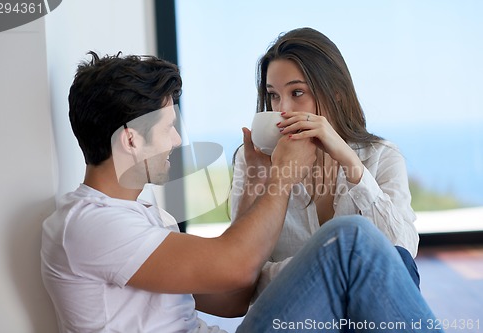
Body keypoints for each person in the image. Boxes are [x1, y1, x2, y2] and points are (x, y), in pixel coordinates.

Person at [41, 51, 443, 333]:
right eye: (167, 127)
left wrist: (257, 181)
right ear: (130, 139)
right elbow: (235, 266)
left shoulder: (144, 216)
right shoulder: (90, 224)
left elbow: (232, 297)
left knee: (374, 255)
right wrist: (281, 177)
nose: (178, 141)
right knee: (351, 240)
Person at [230, 27, 421, 298]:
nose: (282, 109)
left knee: (396, 262)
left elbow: (402, 252)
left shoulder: (381, 156)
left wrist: (350, 163)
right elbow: (240, 273)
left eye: (297, 93)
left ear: (336, 94)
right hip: (291, 311)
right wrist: (259, 181)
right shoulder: (253, 160)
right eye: (274, 95)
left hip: (362, 313)